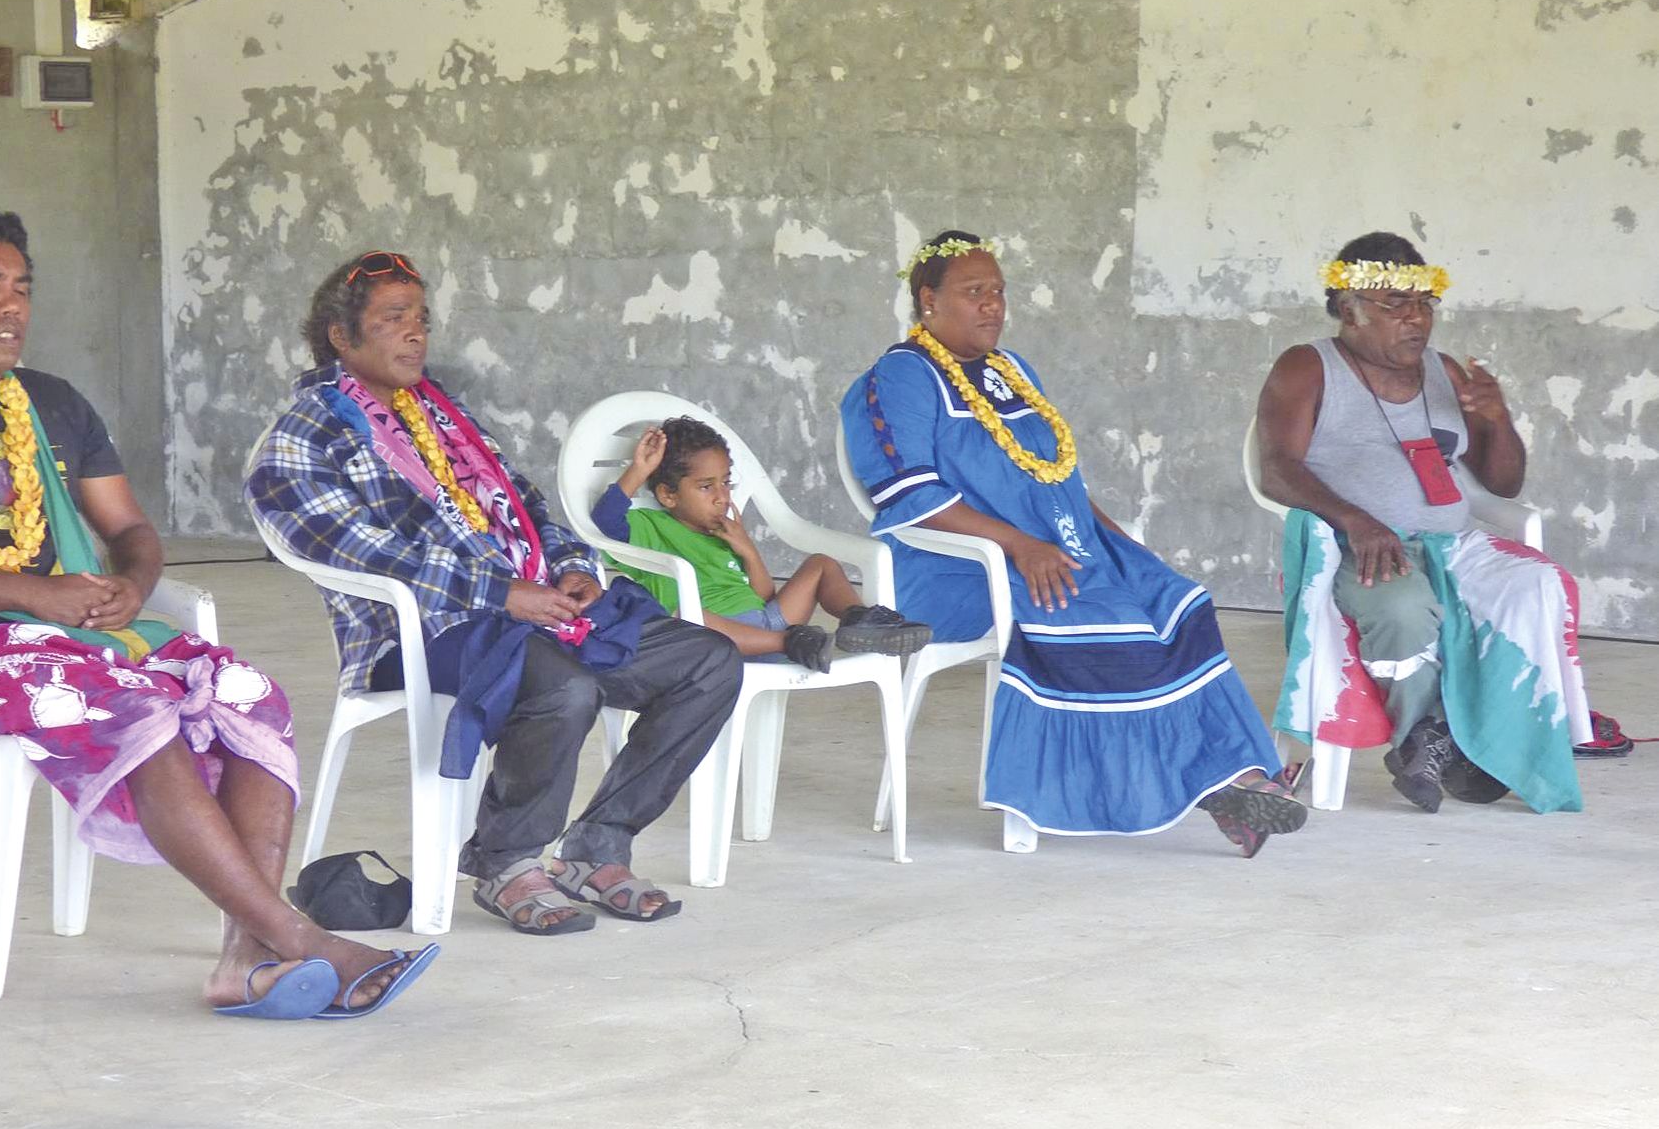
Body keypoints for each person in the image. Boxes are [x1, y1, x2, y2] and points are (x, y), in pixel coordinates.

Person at [0, 205, 431, 1017]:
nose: (12, 305)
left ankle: (243, 955)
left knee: (251, 697)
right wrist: (36, 594)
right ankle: (299, 937)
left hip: (89, 634)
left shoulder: (54, 402)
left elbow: (132, 531)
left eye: (23, 288)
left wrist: (135, 588)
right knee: (142, 710)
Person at [246, 251, 743, 933]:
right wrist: (500, 593)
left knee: (707, 661)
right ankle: (507, 862)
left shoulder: (445, 416)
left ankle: (597, 845)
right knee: (564, 687)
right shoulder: (305, 437)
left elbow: (529, 509)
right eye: (394, 318)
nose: (417, 333)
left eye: (422, 318)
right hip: (421, 632)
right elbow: (367, 553)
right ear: (341, 334)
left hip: (535, 609)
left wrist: (572, 567)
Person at [838, 230, 1308, 856]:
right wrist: (1018, 546)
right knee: (1111, 622)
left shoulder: (1012, 371)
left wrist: (1115, 541)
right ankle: (1221, 783)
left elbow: (1057, 478)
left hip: (1056, 548)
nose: (992, 305)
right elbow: (909, 496)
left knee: (1177, 599)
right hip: (956, 566)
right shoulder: (900, 377)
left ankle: (1231, 778)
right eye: (974, 292)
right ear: (929, 301)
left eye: (998, 291)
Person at [1255, 232, 1590, 812]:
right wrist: (1356, 521)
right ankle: (1431, 737)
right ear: (1349, 310)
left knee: (1538, 586)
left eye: (1424, 303)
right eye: (1396, 305)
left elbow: (1503, 484)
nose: (1416, 319)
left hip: (1455, 543)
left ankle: (1490, 741)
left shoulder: (1446, 372)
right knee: (1401, 609)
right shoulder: (1307, 367)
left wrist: (1497, 420)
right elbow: (1276, 470)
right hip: (1357, 544)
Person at [590, 415, 931, 671]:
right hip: (716, 640)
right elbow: (605, 521)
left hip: (767, 625)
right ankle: (792, 643)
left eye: (726, 483)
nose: (722, 496)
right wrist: (639, 471)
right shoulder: (650, 527)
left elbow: (764, 596)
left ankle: (859, 619)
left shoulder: (723, 531)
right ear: (668, 495)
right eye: (706, 487)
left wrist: (748, 550)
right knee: (687, 616)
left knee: (821, 564)